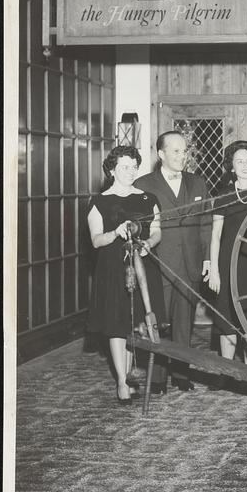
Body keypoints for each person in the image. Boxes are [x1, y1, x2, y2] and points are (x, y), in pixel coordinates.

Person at [87, 145, 166, 404]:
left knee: (136, 322)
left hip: (143, 267)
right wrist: (116, 232)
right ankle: (122, 379)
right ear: (112, 170)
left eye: (134, 166)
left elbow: (156, 231)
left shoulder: (148, 198)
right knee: (117, 324)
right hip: (113, 268)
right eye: (124, 167)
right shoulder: (99, 202)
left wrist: (149, 244)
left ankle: (130, 376)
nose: (131, 171)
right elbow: (96, 240)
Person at [135, 131, 211, 392]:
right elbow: (140, 226)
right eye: (175, 151)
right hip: (159, 263)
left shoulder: (198, 182)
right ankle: (156, 379)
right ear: (161, 154)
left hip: (190, 263)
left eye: (184, 151)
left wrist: (208, 258)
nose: (182, 156)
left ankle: (181, 374)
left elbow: (206, 223)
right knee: (159, 320)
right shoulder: (144, 184)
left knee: (183, 322)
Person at [208, 141, 247, 364]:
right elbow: (215, 235)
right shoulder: (223, 194)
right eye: (239, 161)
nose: (246, 165)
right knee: (226, 319)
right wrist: (214, 270)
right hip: (228, 264)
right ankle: (227, 371)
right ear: (231, 167)